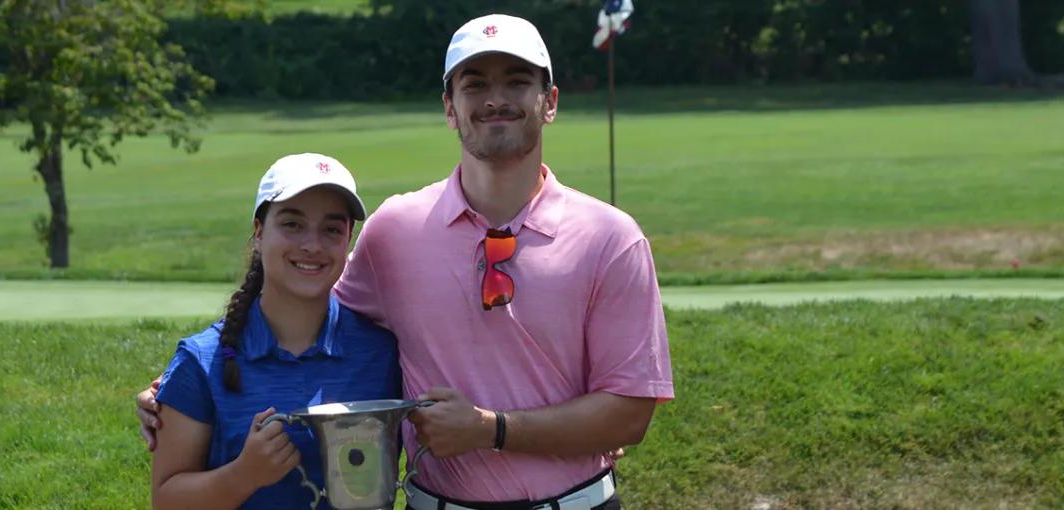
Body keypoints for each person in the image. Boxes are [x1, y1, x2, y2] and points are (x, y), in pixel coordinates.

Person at [141, 14, 674, 510]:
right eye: (474, 85)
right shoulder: (395, 231)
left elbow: (629, 413)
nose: (496, 99)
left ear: (549, 101)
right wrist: (181, 383)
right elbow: (301, 303)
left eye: (517, 81)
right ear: (449, 107)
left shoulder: (612, 237)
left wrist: (494, 429)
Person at [148, 153, 402, 510]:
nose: (312, 245)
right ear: (259, 231)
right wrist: (243, 475)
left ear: (348, 239)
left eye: (331, 229)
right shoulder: (201, 362)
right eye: (293, 224)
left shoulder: (383, 353)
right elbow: (166, 501)